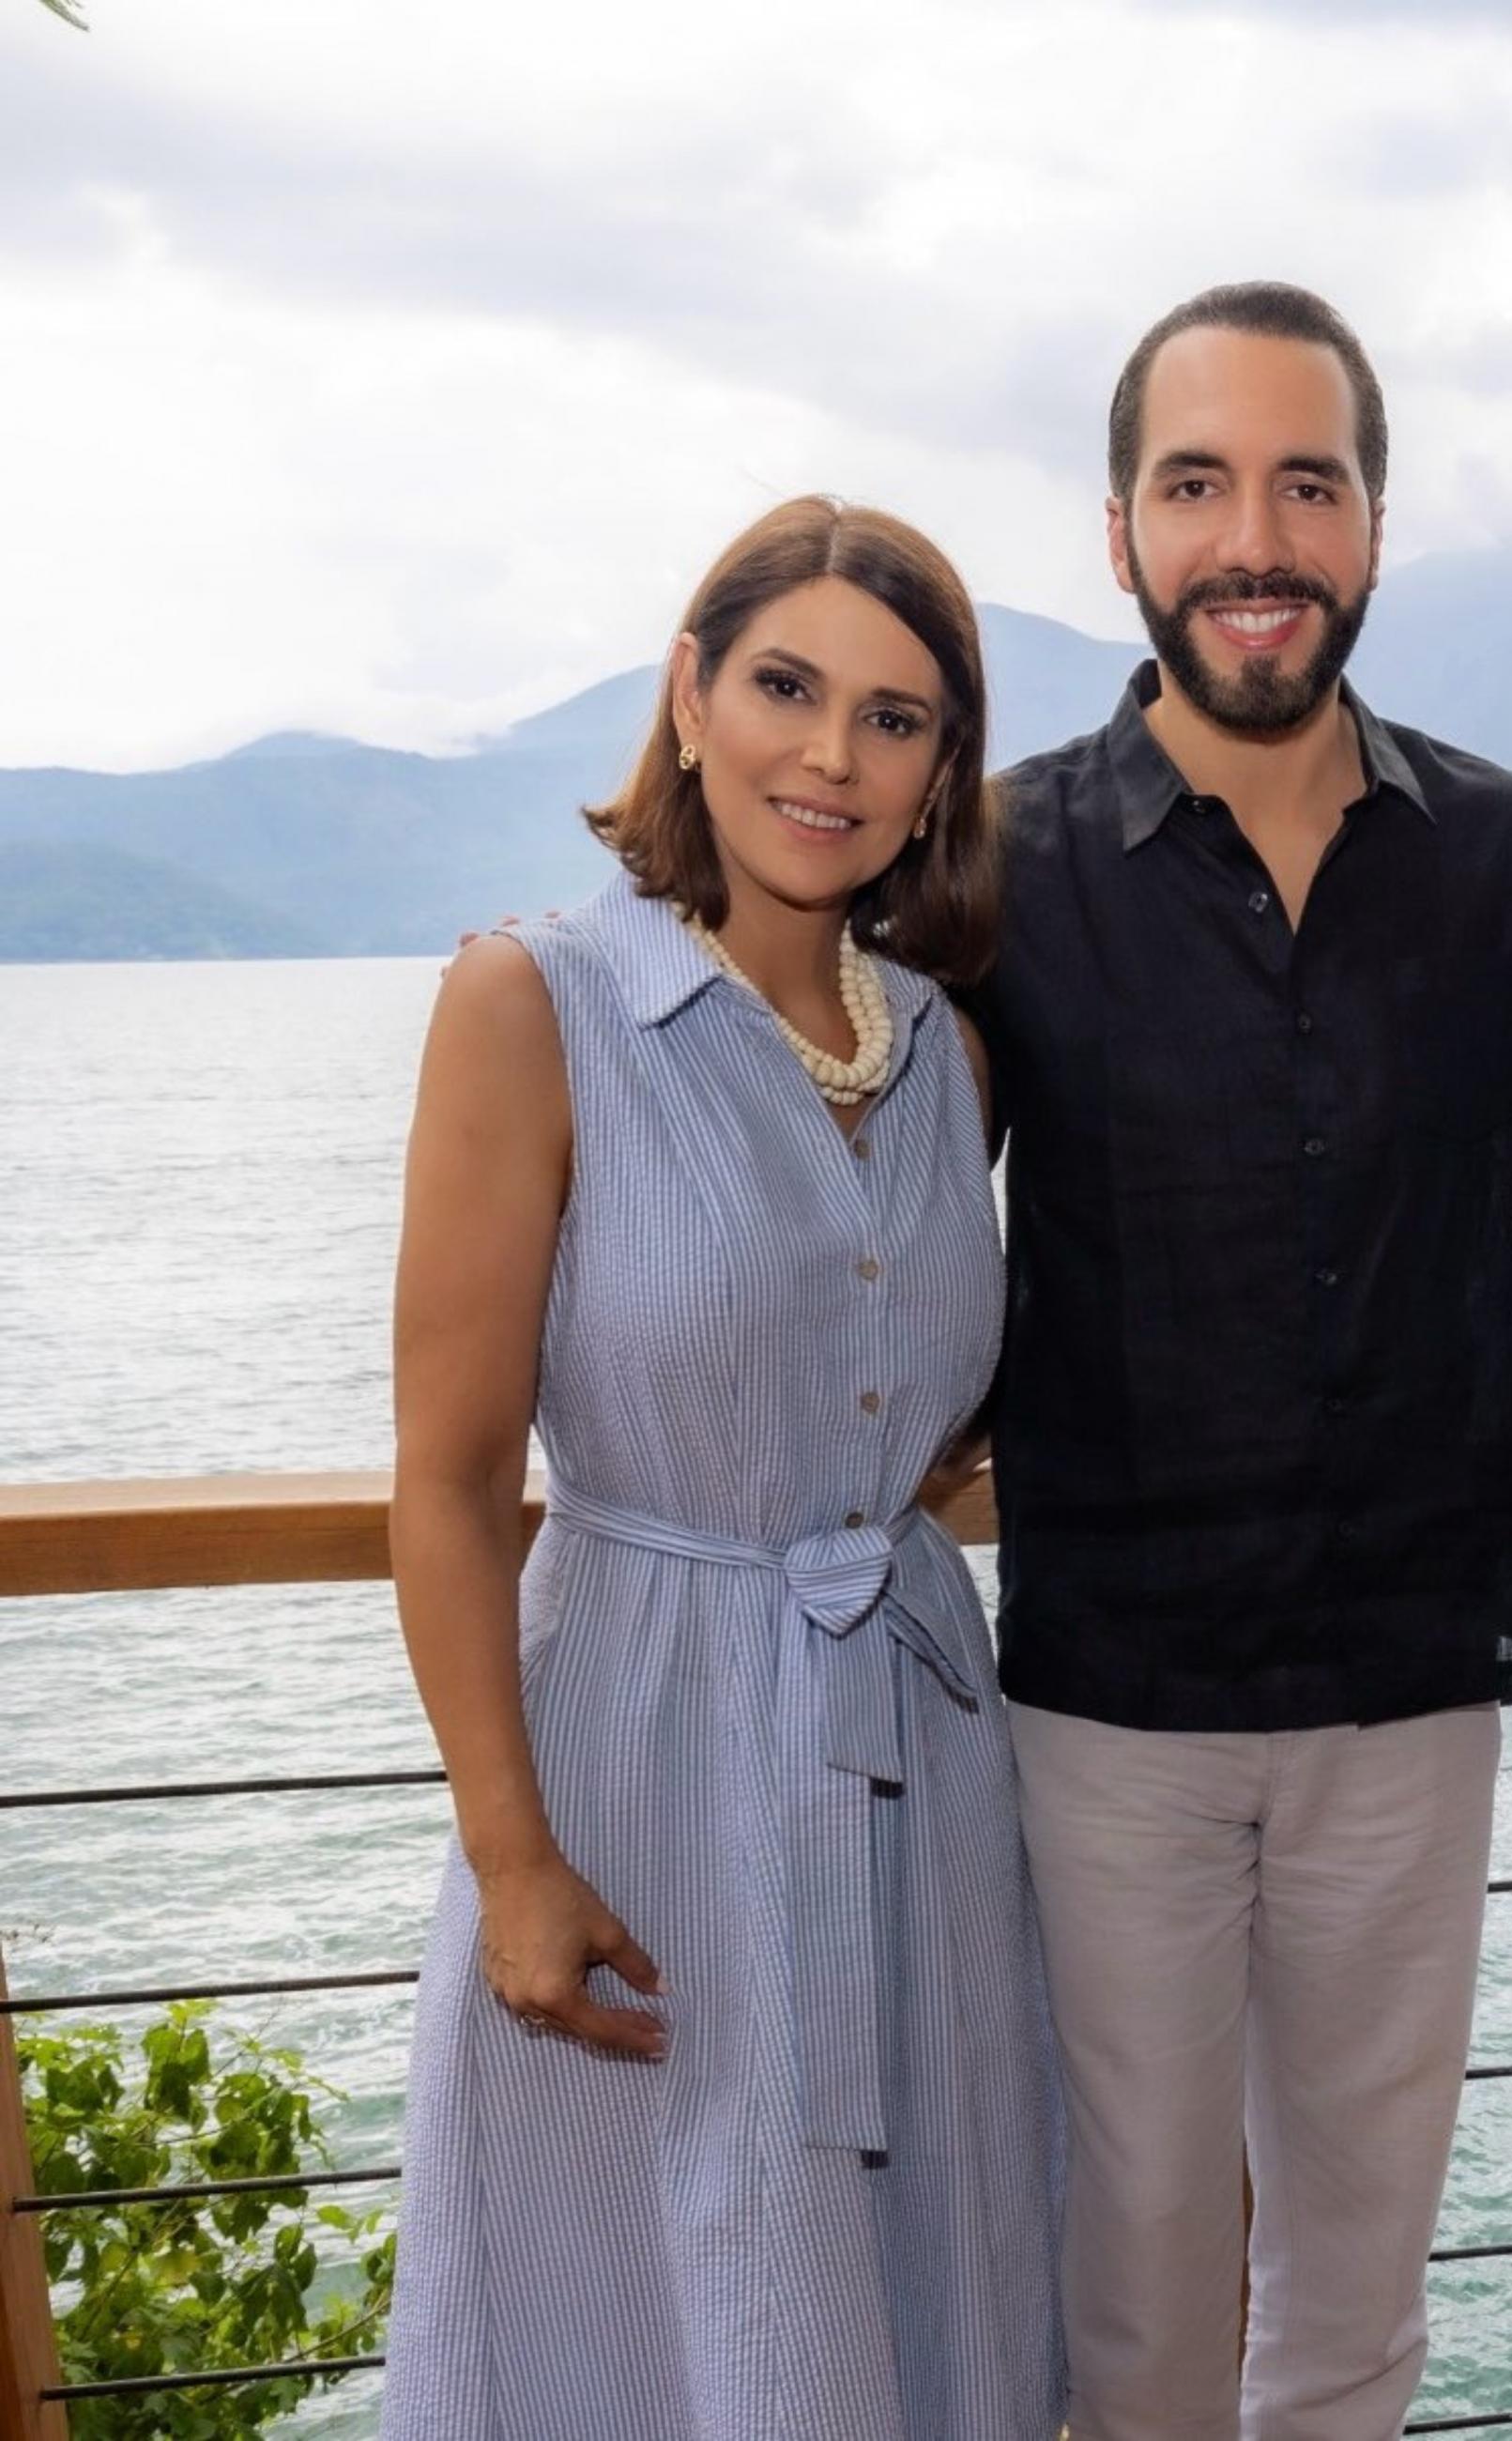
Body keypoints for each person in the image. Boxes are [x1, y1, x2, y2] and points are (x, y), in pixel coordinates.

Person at [970, 282, 1512, 2440]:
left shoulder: (1510, 860)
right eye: (1201, 482)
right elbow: (845, 1217)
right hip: (1113, 1705)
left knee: (1356, 2300)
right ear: (1122, 530)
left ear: (1372, 525)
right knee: (1132, 2302)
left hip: (1408, 1693)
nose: (1256, 537)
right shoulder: (990, 861)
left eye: (1306, 483)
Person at [382, 497, 1062, 2439]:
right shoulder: (537, 1004)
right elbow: (443, 1478)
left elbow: (909, 1417)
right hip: (643, 1778)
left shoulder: (949, 1054)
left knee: (928, 2309)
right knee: (654, 2327)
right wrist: (513, 1856)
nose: (830, 755)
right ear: (689, 698)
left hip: (922, 1788)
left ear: (941, 777)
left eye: (898, 718)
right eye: (785, 686)